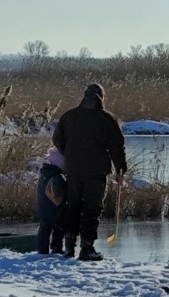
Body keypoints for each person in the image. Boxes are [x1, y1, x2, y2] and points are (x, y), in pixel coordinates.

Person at [52, 83, 127, 261]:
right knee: (91, 209)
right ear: (101, 97)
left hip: (73, 171)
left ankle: (69, 247)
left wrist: (69, 154)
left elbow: (57, 139)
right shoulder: (107, 118)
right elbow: (117, 147)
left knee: (72, 207)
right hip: (96, 172)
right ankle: (87, 248)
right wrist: (121, 169)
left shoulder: (69, 116)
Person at [36, 146, 67, 255]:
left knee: (44, 230)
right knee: (59, 229)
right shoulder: (57, 177)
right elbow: (58, 194)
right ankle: (56, 248)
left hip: (42, 208)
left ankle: (42, 250)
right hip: (54, 211)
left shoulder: (44, 174)